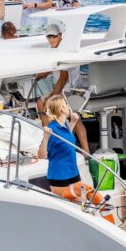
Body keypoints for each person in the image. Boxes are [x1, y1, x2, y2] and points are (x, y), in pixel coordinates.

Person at [38, 95, 114, 223]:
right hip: (59, 175)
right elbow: (41, 155)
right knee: (68, 208)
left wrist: (73, 122)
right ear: (61, 109)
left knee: (79, 208)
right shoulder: (53, 129)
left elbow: (67, 140)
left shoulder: (65, 124)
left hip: (73, 172)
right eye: (66, 105)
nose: (69, 107)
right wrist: (45, 137)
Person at [35, 22, 89, 152]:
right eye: (49, 37)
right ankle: (85, 151)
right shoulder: (61, 48)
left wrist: (53, 95)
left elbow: (63, 77)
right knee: (75, 118)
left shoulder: (61, 52)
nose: (51, 39)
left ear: (60, 36)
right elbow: (58, 70)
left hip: (69, 92)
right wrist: (45, 73)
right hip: (72, 90)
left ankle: (50, 139)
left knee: (43, 103)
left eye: (54, 36)